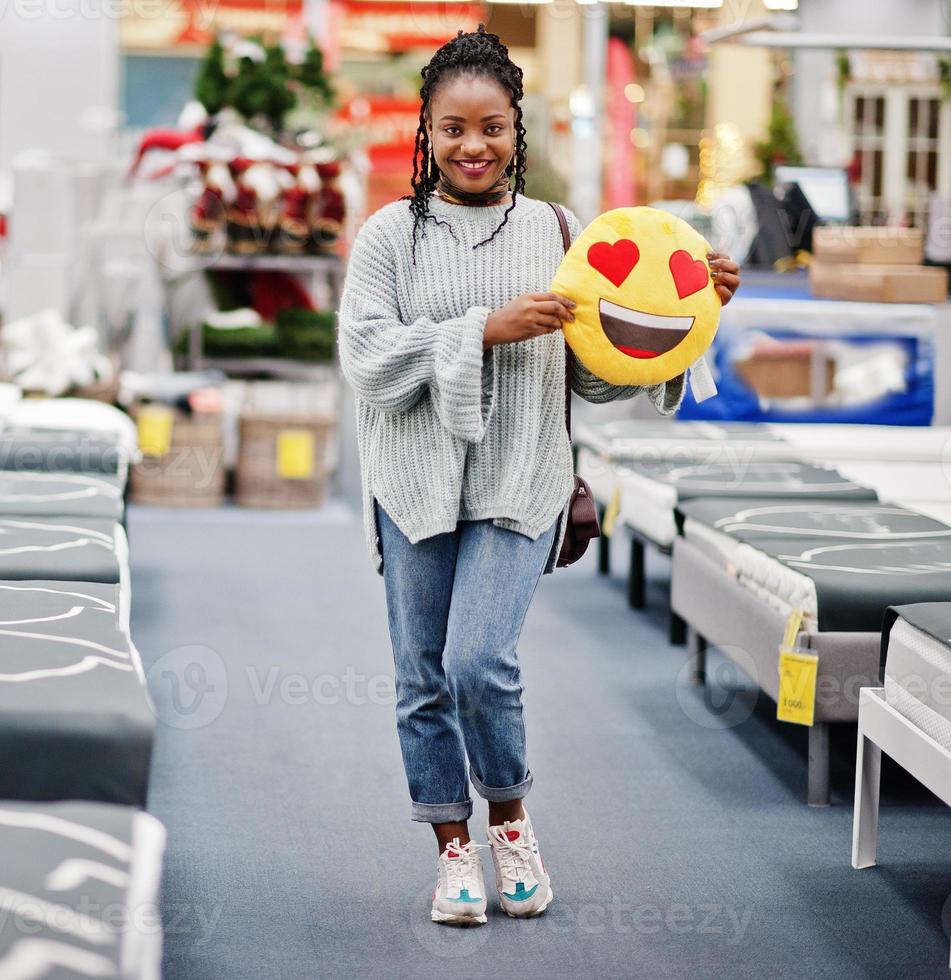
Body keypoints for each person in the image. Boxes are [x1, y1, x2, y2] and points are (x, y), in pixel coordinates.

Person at [337, 27, 740, 927]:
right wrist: (481, 329)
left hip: (522, 479)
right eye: (452, 129)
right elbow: (366, 361)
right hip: (413, 482)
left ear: (517, 128)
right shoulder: (386, 238)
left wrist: (686, 317)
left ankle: (510, 823)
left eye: (489, 127)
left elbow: (592, 374)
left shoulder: (563, 234)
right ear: (426, 133)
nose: (471, 146)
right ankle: (450, 851)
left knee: (478, 662)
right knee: (420, 677)